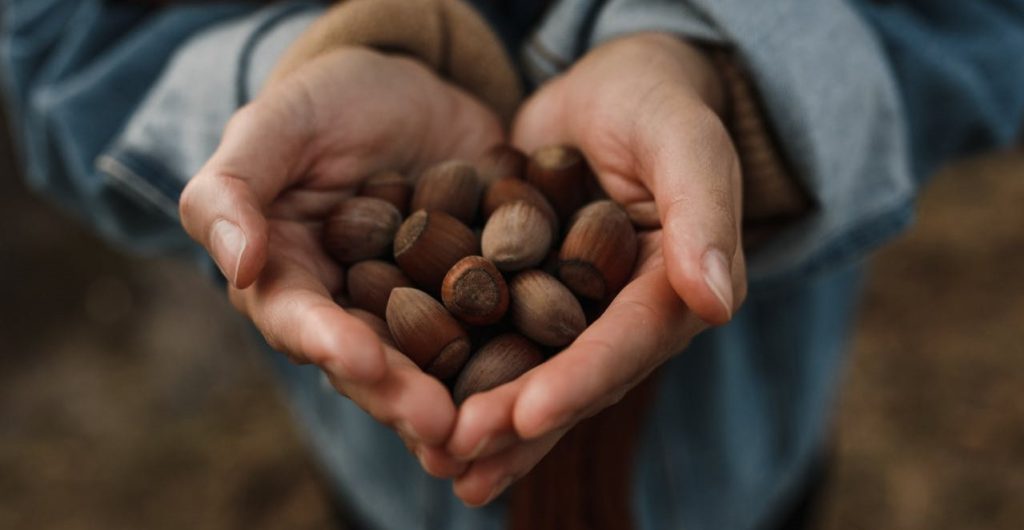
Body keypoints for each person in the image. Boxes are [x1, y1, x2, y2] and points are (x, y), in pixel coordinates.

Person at [2, 1, 1022, 529]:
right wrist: (279, 83)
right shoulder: (426, 263)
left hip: (752, 461)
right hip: (391, 483)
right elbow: (59, 46)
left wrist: (743, 90)